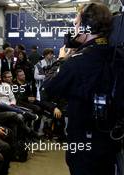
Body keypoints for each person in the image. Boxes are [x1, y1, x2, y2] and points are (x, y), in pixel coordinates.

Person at [44, 3, 117, 175]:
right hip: (108, 139)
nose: (74, 29)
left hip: (84, 141)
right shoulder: (114, 52)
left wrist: (62, 60)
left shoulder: (78, 60)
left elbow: (49, 88)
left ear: (86, 27)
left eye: (76, 24)